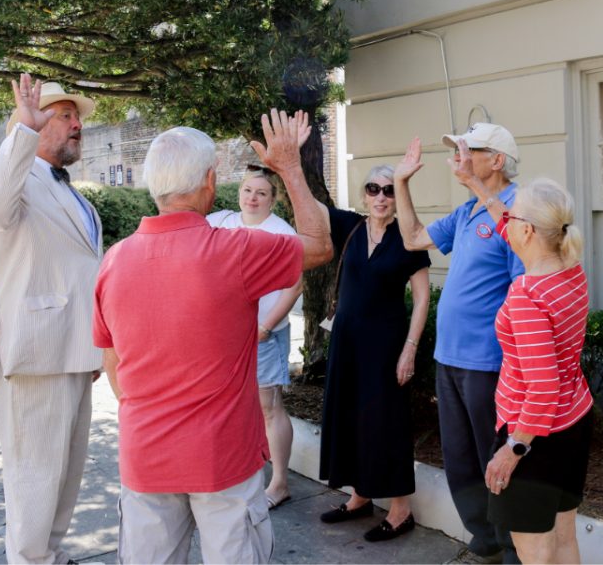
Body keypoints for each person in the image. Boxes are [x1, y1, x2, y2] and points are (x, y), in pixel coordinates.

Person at [93, 111, 332, 565]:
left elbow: (112, 361)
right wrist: (291, 169)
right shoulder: (233, 250)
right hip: (220, 458)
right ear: (209, 180)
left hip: (145, 457)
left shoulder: (114, 260)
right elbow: (319, 245)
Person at [0, 73, 103, 564]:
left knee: (64, 473)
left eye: (76, 117)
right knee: (33, 476)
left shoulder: (72, 192)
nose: (76, 125)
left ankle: (48, 554)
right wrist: (20, 133)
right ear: (35, 123)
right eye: (64, 115)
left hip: (73, 352)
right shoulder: (14, 176)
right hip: (33, 355)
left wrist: (95, 347)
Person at [393, 124, 525, 561]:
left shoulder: (518, 209)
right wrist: (400, 183)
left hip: (488, 361)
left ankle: (511, 548)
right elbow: (413, 239)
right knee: (460, 457)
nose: (461, 156)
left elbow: (523, 287)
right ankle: (484, 538)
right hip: (448, 358)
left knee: (494, 459)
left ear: (497, 160)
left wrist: (514, 363)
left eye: (471, 149)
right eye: (458, 149)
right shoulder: (468, 210)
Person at [454, 160, 593, 564]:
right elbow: (507, 226)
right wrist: (478, 186)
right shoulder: (570, 269)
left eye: (514, 215)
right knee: (564, 540)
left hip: (535, 437)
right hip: (573, 423)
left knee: (535, 553)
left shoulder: (527, 295)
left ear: (529, 231)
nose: (506, 220)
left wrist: (512, 449)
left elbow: (543, 387)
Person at [317, 165, 431, 542]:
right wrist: (286, 165)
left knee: (385, 422)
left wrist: (409, 350)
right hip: (347, 343)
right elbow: (308, 206)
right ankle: (360, 496)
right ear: (363, 194)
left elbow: (421, 299)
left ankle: (401, 510)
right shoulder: (348, 226)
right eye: (373, 189)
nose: (381, 197)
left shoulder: (408, 238)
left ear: (397, 198)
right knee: (349, 416)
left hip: (386, 347)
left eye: (388, 190)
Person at [209, 166, 303, 509]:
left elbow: (294, 285)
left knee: (269, 408)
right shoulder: (220, 222)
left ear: (273, 200)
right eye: (248, 190)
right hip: (226, 337)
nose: (252, 198)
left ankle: (279, 483)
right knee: (232, 406)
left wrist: (265, 327)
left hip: (264, 336)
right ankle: (240, 473)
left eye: (261, 193)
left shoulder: (281, 233)